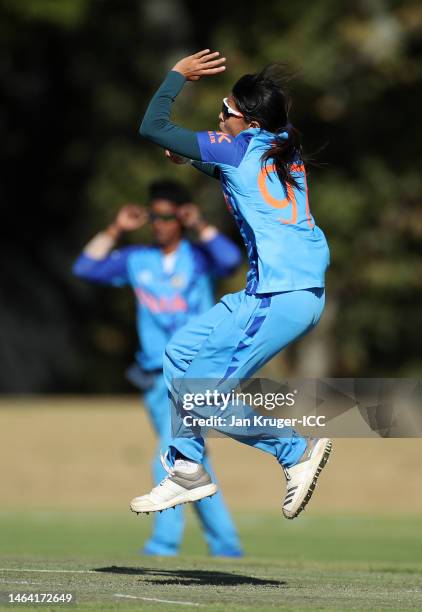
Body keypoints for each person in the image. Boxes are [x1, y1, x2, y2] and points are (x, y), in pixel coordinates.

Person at [129, 50, 333, 520]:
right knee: (180, 356)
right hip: (271, 293)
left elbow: (153, 126)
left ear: (250, 122)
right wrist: (195, 159)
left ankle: (295, 452)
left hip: (279, 296)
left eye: (225, 111)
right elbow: (238, 173)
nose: (218, 118)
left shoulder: (238, 147)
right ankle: (186, 468)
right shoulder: (282, 146)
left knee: (202, 395)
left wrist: (177, 75)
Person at [73, 179, 243, 556]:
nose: (161, 224)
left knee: (171, 456)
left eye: (169, 217)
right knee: (190, 459)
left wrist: (199, 224)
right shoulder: (137, 259)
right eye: (156, 217)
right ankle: (226, 545)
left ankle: (163, 544)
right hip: (154, 376)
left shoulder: (198, 258)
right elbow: (85, 267)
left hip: (195, 372)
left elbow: (231, 260)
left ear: (181, 218)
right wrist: (117, 229)